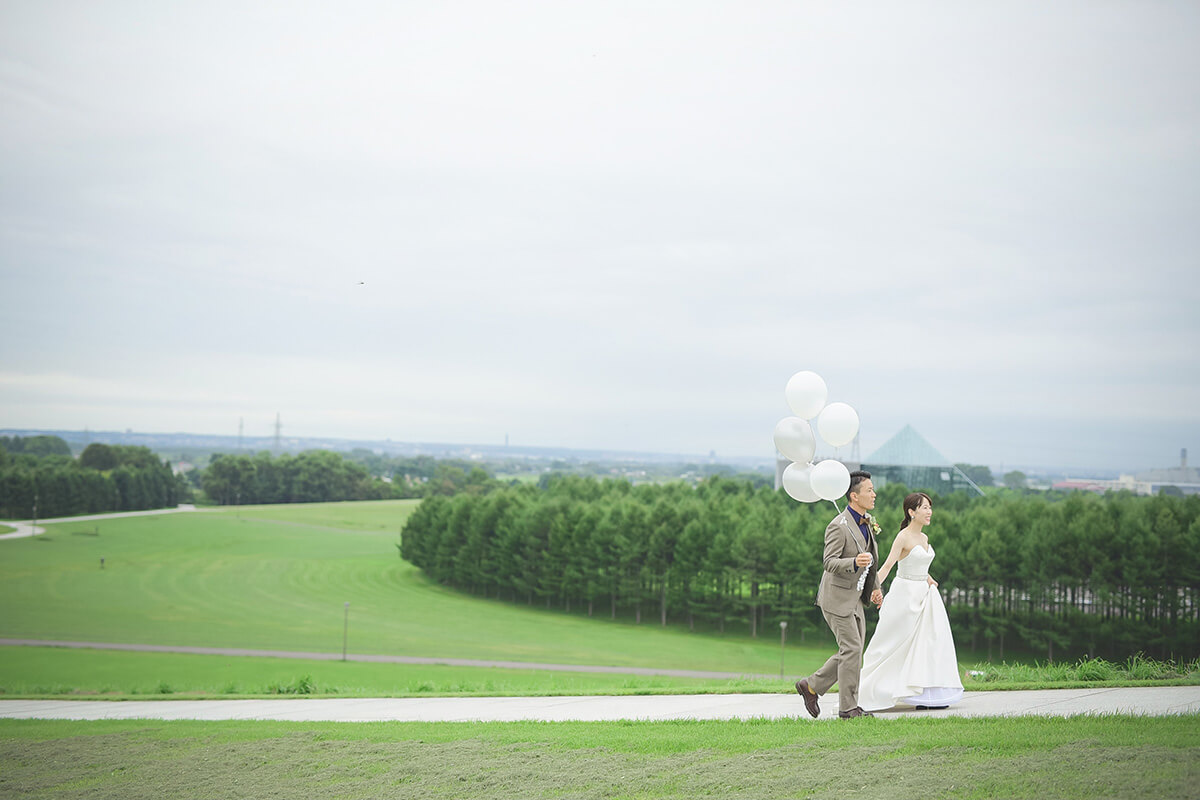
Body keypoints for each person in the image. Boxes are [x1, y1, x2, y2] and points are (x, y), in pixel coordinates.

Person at [857, 492, 964, 712]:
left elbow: (919, 564)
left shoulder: (924, 538)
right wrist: (871, 588)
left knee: (926, 644)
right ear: (911, 512)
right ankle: (870, 690)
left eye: (930, 508)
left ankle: (925, 694)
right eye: (924, 508)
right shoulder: (903, 537)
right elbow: (888, 566)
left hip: (925, 595)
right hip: (904, 597)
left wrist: (927, 577)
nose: (929, 512)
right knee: (893, 644)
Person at [795, 470, 883, 719]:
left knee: (852, 651)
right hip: (836, 599)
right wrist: (853, 561)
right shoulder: (837, 526)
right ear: (854, 496)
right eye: (869, 490)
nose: (874, 494)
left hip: (855, 598)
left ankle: (811, 686)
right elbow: (829, 562)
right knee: (852, 649)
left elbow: (872, 561)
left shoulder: (868, 521)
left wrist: (876, 589)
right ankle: (847, 708)